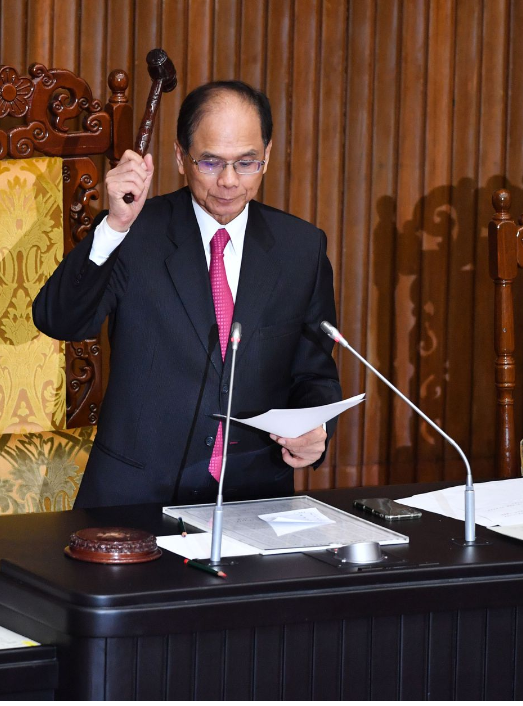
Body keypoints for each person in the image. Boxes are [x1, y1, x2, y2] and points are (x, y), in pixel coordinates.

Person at [33, 80, 342, 508]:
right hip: (134, 501)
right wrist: (114, 227)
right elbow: (59, 320)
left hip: (253, 498)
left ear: (267, 156)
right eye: (210, 162)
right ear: (180, 157)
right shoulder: (136, 233)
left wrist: (315, 435)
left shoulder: (301, 248)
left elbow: (314, 376)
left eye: (247, 162)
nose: (229, 182)